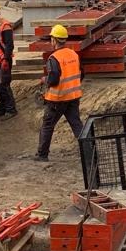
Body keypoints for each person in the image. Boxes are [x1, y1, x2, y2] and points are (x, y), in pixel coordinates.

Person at [35, 24, 83, 161]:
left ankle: (42, 155)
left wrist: (45, 80)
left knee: (47, 126)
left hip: (57, 99)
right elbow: (81, 73)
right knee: (77, 124)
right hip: (73, 97)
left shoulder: (54, 58)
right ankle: (89, 150)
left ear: (54, 40)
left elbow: (54, 78)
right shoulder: (74, 54)